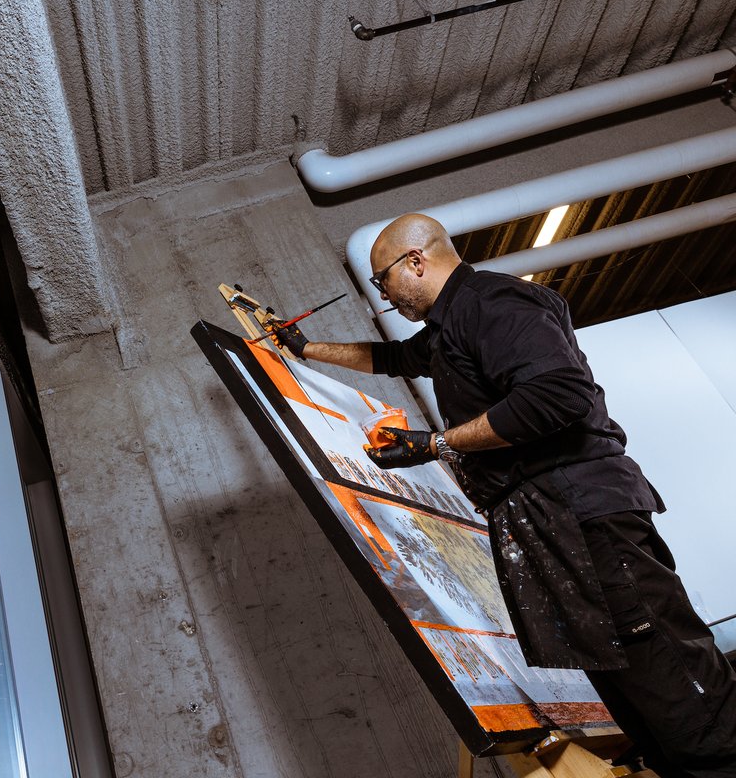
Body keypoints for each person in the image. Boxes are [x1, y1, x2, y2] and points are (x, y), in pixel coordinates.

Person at [270, 213, 736, 776]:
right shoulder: (451, 326)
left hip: (581, 512)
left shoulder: (494, 303)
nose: (384, 295)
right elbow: (394, 359)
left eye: (383, 279)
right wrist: (306, 348)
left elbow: (559, 395)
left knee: (666, 674)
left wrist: (435, 444)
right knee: (625, 681)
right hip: (552, 520)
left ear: (415, 262)